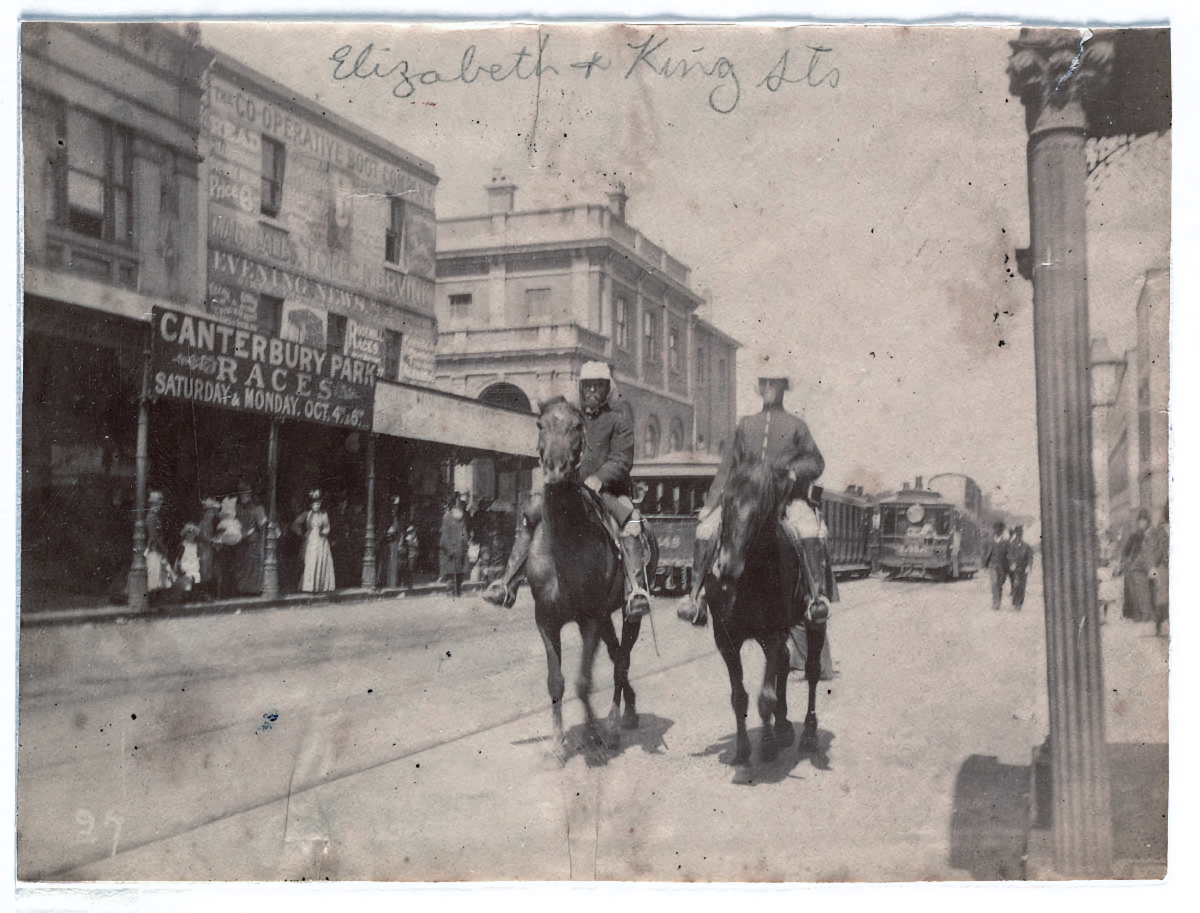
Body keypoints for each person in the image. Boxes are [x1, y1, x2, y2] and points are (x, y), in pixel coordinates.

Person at [483, 362, 653, 619]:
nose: (592, 391)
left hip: (608, 491)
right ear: (581, 388)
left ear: (606, 389)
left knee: (632, 523)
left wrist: (599, 478)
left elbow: (622, 459)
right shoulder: (573, 418)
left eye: (598, 386)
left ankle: (636, 591)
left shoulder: (619, 421)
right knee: (531, 515)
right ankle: (507, 583)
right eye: (588, 386)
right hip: (569, 488)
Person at [683, 376, 835, 627]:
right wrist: (711, 504)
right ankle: (694, 598)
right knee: (705, 530)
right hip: (744, 501)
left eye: (774, 383)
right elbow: (727, 466)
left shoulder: (797, 425)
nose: (768, 388)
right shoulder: (745, 424)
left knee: (810, 529)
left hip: (786, 499)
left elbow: (816, 462)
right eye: (764, 383)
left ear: (783, 388)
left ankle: (815, 599)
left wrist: (794, 471)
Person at [292, 490, 336, 593]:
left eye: (318, 504)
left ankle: (319, 586)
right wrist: (299, 532)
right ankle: (309, 586)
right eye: (314, 504)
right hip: (310, 538)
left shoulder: (323, 514)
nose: (316, 506)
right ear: (311, 505)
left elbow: (327, 527)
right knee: (310, 561)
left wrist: (324, 532)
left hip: (321, 540)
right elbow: (295, 524)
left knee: (320, 560)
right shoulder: (307, 514)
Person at [1120, 508, 1154, 622]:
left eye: (1144, 521)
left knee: (1145, 587)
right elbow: (1126, 552)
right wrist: (1127, 562)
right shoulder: (1134, 536)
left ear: (1148, 522)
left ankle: (1147, 613)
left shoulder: (1152, 535)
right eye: (1140, 521)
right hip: (1135, 566)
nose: (1142, 523)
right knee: (1133, 587)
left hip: (1149, 566)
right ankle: (1136, 614)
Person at [234, 482, 268, 596]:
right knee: (241, 564)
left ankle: (254, 589)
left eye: (245, 494)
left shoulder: (257, 508)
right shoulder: (238, 508)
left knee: (253, 564)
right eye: (241, 494)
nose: (243, 497)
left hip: (253, 541)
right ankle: (242, 589)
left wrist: (260, 540)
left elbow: (262, 526)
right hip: (240, 540)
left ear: (250, 495)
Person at [440, 495, 470, 598]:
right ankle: (450, 592)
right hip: (451, 550)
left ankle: (457, 591)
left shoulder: (461, 518)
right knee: (451, 573)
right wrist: (448, 549)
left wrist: (465, 545)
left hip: (459, 549)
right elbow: (444, 537)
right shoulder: (447, 518)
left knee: (459, 572)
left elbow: (464, 533)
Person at [1148, 505, 1169, 636]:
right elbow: (1154, 551)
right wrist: (1153, 567)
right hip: (1163, 566)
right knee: (1161, 595)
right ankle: (1159, 624)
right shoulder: (1159, 532)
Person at [981, 521, 1009, 611]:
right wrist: (984, 564)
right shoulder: (989, 541)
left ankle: (998, 601)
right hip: (992, 565)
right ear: (994, 530)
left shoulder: (1005, 542)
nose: (998, 531)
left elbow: (1008, 555)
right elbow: (985, 553)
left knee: (999, 584)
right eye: (997, 529)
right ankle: (996, 603)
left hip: (1002, 566)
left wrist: (1008, 567)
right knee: (994, 584)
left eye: (1000, 530)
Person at [1007, 525, 1034, 611]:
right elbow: (1009, 555)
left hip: (1023, 569)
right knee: (1016, 584)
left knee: (1022, 587)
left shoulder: (1026, 546)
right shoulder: (1012, 546)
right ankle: (1015, 603)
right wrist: (1012, 563)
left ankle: (1019, 604)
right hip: (1014, 570)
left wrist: (1028, 566)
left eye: (1020, 534)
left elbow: (1030, 557)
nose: (1019, 537)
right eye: (1018, 534)